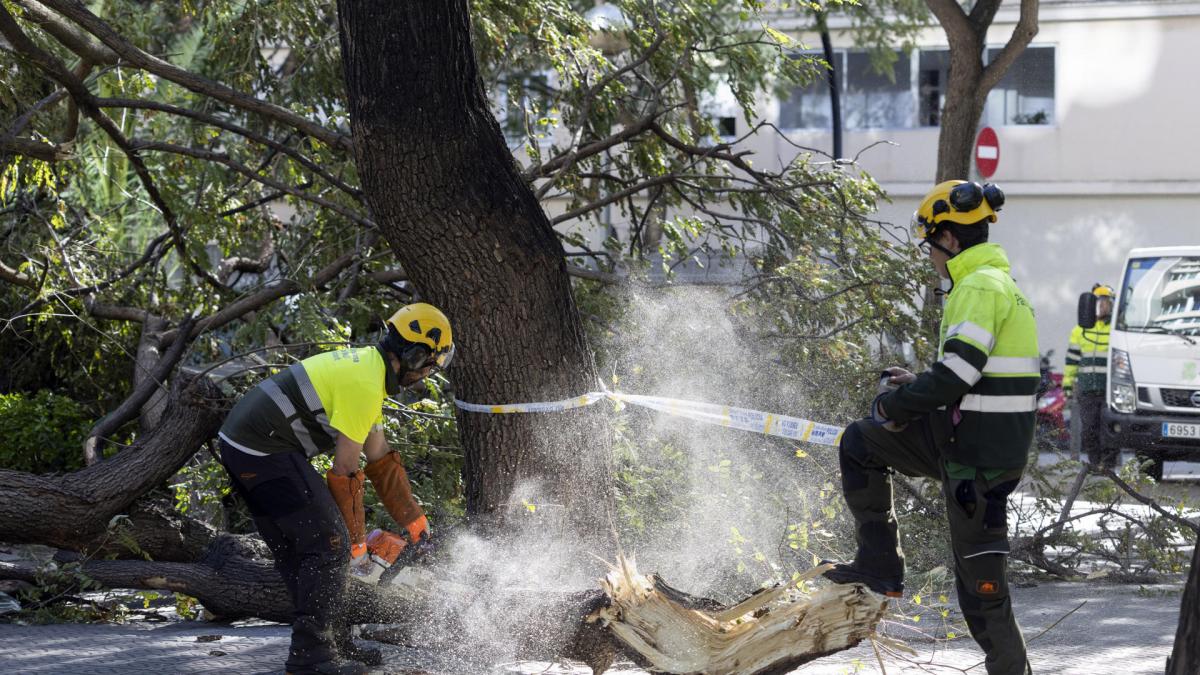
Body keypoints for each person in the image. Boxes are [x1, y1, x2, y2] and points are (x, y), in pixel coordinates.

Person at [824, 181, 1038, 675]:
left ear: (949, 238)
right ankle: (879, 564)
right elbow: (977, 375)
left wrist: (896, 405)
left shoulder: (980, 285)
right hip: (970, 443)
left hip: (976, 459)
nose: (930, 259)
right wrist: (918, 386)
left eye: (931, 246)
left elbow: (959, 374)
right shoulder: (994, 283)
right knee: (860, 442)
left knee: (982, 591)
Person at [218, 303, 454, 675]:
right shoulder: (364, 384)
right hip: (263, 450)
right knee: (329, 546)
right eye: (428, 366)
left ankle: (332, 644)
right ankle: (311, 660)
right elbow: (344, 471)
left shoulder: (369, 371)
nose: (426, 375)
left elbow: (378, 459)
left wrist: (415, 523)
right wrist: (355, 544)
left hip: (245, 445)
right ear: (414, 355)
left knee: (303, 552)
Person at [1064, 284, 1113, 466]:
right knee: (1089, 430)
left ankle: (1108, 466)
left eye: (1105, 302)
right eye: (1098, 301)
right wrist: (1068, 384)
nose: (1101, 306)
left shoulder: (1115, 329)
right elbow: (1072, 361)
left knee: (1107, 430)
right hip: (1087, 390)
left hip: (1108, 391)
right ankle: (1094, 464)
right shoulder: (1079, 331)